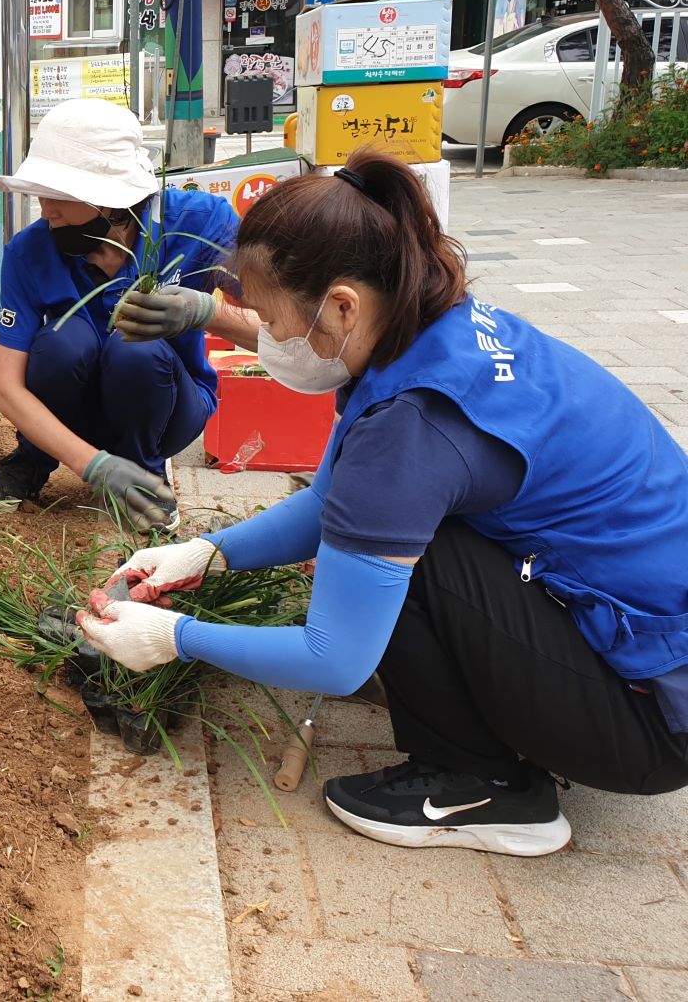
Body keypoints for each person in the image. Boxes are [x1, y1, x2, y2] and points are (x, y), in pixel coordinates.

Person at [76, 151, 688, 856]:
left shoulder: (412, 425)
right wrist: (206, 556)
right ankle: (486, 720)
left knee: (403, 565)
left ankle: (483, 787)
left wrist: (171, 638)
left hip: (648, 718)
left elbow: (332, 656)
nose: (267, 338)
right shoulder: (432, 330)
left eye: (272, 321)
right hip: (636, 645)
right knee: (375, 550)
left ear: (341, 305)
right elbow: (338, 504)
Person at [0, 98, 260, 526]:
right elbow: (7, 387)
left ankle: (145, 472)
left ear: (111, 198)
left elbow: (282, 332)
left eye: (60, 194)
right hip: (72, 416)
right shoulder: (29, 252)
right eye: (42, 192)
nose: (45, 207)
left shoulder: (199, 225)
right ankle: (34, 460)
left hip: (166, 407)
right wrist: (91, 465)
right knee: (61, 342)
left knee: (136, 350)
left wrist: (206, 311)